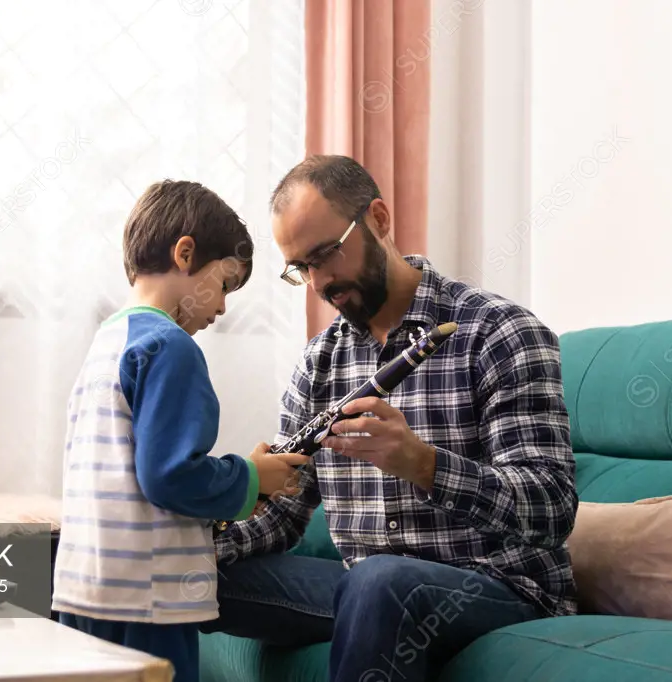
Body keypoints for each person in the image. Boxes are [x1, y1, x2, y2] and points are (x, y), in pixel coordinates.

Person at [202, 156, 578, 681]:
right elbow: (285, 514)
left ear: (378, 219)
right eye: (301, 268)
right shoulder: (320, 361)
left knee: (380, 582)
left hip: (496, 587)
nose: (319, 282)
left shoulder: (500, 333)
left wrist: (422, 463)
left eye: (326, 254)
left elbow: (552, 508)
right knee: (185, 572)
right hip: (366, 590)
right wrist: (193, 536)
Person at [51, 179, 310, 682]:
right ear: (186, 254)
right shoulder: (171, 347)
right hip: (143, 597)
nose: (221, 308)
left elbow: (135, 473)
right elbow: (170, 476)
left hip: (85, 586)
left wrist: (244, 485)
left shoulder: (110, 340)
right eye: (224, 285)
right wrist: (252, 477)